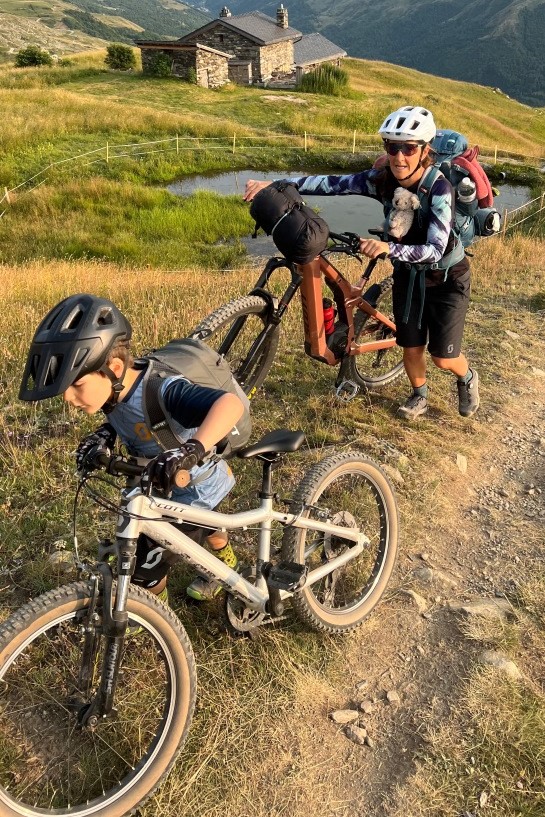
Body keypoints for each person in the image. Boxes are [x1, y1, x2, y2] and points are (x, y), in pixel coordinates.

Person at [244, 105, 480, 421]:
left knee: (442, 357)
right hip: (409, 277)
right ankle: (419, 395)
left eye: (408, 148)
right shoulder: (380, 180)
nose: (399, 156)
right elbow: (329, 184)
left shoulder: (439, 188)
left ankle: (466, 378)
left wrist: (387, 247)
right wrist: (275, 186)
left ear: (424, 151)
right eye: (391, 147)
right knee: (410, 346)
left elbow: (435, 249)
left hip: (447, 277)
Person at [19, 293, 244, 601]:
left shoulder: (164, 389)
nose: (69, 399)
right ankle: (222, 563)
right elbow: (128, 418)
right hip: (163, 484)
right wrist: (104, 435)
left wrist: (191, 450)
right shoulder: (114, 392)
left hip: (196, 488)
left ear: (112, 366)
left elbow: (228, 405)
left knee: (147, 567)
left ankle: (153, 610)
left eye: (77, 385)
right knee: (210, 528)